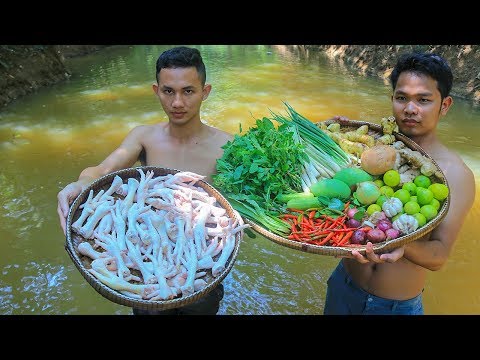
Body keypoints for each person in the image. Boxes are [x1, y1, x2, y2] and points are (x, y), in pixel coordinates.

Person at [57, 46, 233, 315]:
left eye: (188, 91)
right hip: (147, 256)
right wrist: (80, 185)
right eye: (168, 91)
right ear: (156, 91)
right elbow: (102, 169)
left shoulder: (227, 146)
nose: (177, 103)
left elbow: (238, 210)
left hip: (199, 264)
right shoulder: (144, 137)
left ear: (204, 92)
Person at [323, 52, 476, 315]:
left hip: (393, 306)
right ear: (392, 99)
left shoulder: (455, 175)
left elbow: (439, 256)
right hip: (343, 285)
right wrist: (332, 138)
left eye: (424, 100)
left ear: (445, 105)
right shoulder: (374, 148)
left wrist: (401, 246)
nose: (410, 109)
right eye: (402, 97)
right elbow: (336, 192)